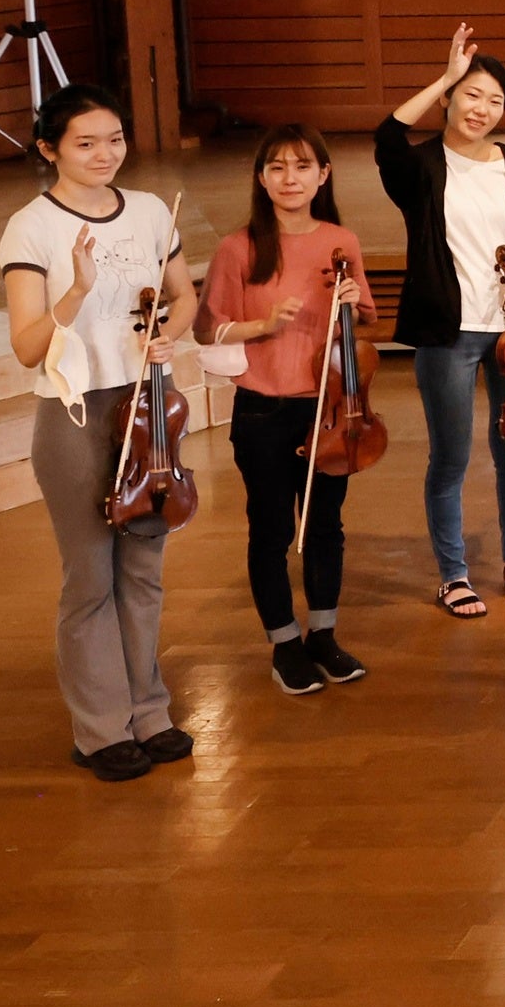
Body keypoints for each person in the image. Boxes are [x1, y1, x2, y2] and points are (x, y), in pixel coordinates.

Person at [0, 85, 196, 783]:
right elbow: (27, 346)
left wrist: (168, 337)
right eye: (86, 142)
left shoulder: (146, 212)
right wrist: (76, 289)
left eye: (114, 138)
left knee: (144, 568)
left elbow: (184, 295)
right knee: (91, 578)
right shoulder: (30, 227)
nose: (105, 153)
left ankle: (149, 710)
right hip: (76, 412)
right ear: (50, 149)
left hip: (149, 406)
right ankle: (98, 728)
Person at [375, 24, 505, 622]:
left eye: (495, 100)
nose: (482, 108)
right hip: (449, 331)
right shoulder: (422, 167)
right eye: (470, 94)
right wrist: (445, 76)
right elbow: (388, 135)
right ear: (449, 99)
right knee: (450, 457)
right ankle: (453, 574)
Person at [200, 126, 375, 695]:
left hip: (330, 408)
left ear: (323, 175)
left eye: (302, 167)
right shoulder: (238, 246)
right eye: (276, 167)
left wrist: (352, 304)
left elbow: (366, 319)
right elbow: (206, 327)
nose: (289, 178)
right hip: (263, 410)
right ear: (261, 178)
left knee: (327, 527)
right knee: (271, 529)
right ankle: (283, 643)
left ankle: (323, 634)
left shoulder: (341, 240)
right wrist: (263, 325)